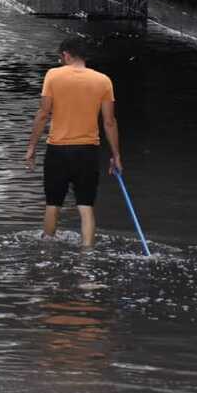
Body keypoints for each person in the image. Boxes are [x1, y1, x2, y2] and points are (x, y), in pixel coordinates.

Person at [24, 36, 122, 249]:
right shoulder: (103, 81)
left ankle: (47, 253)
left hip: (57, 150)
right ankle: (87, 254)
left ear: (66, 55)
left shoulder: (53, 75)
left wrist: (31, 147)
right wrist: (116, 156)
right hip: (87, 151)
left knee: (53, 204)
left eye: (61, 58)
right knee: (86, 206)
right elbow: (109, 122)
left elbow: (43, 114)